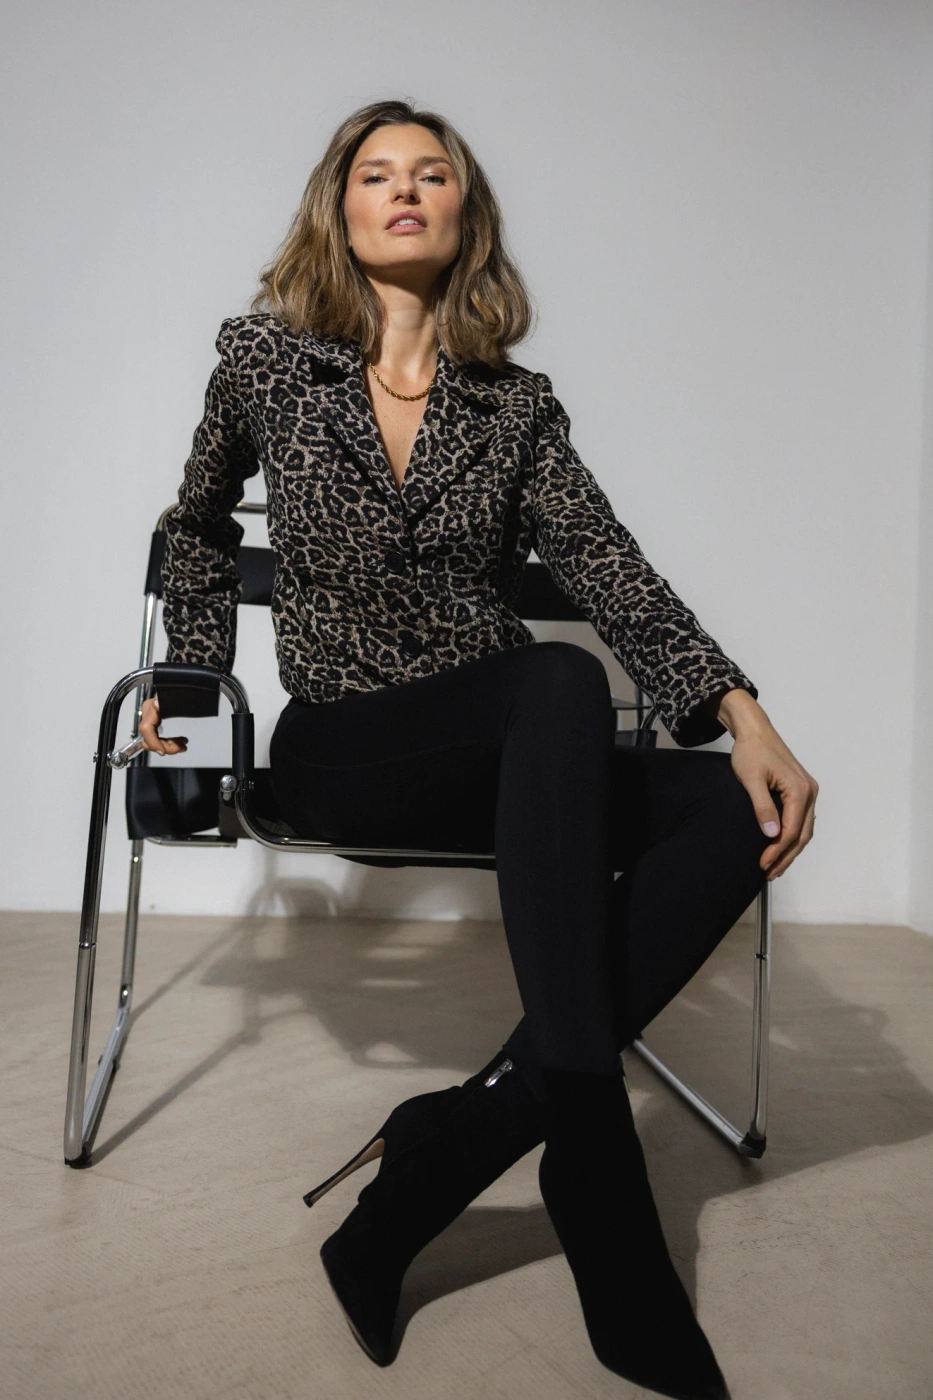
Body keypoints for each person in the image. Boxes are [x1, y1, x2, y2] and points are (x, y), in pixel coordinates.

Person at [140, 100, 818, 1399]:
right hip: (342, 746)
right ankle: (596, 1165)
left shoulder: (515, 406)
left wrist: (745, 715)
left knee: (735, 807)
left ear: (466, 213)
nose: (404, 189)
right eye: (375, 173)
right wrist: (192, 676)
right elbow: (199, 527)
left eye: (431, 172)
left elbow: (610, 567)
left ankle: (461, 1141)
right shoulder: (264, 359)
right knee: (558, 679)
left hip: (507, 757)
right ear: (340, 208)